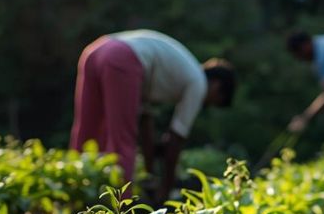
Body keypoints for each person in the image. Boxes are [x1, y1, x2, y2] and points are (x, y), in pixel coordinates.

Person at [69, 29, 236, 200]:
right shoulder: (198, 83)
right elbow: (176, 140)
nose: (207, 104)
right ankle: (121, 211)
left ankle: (73, 197)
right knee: (123, 144)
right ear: (216, 87)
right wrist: (165, 192)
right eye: (215, 101)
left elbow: (145, 121)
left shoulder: (177, 72)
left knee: (85, 133)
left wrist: (149, 173)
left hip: (96, 50)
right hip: (122, 59)